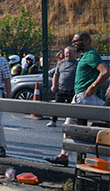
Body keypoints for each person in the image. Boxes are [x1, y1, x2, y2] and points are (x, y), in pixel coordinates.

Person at [45, 31, 109, 166]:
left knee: (100, 131)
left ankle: (104, 161)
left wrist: (93, 86)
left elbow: (105, 72)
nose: (74, 44)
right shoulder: (86, 56)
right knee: (69, 126)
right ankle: (64, 156)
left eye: (76, 41)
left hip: (87, 98)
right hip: (82, 97)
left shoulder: (91, 55)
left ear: (86, 40)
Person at [47, 46, 77, 127]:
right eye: (67, 52)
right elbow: (56, 74)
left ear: (74, 54)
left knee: (71, 108)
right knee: (57, 106)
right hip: (61, 88)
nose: (68, 54)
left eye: (70, 53)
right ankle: (53, 121)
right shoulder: (60, 63)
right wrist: (53, 85)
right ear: (64, 53)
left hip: (72, 89)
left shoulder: (77, 63)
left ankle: (68, 123)